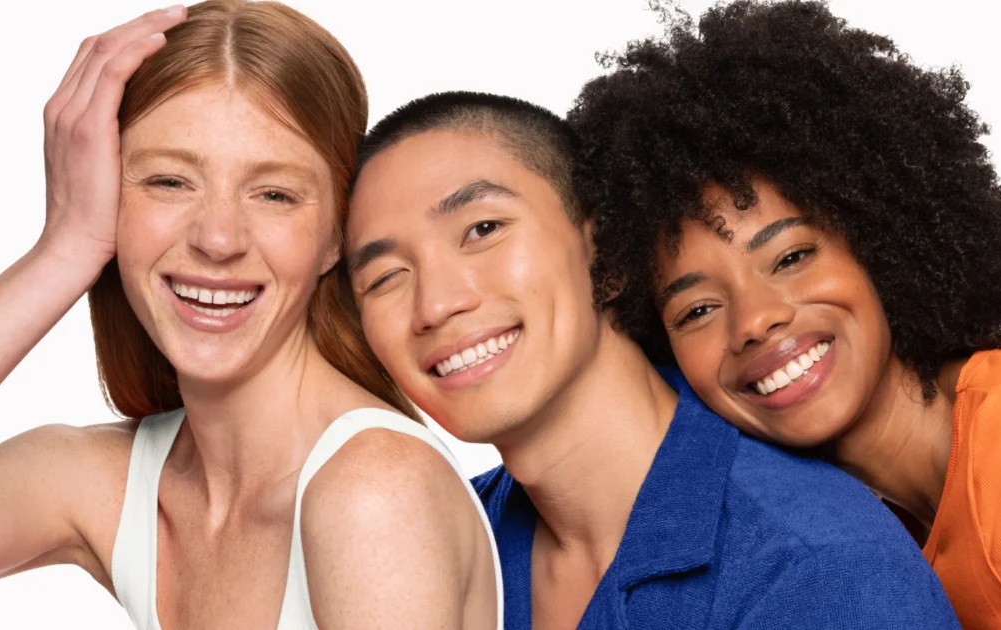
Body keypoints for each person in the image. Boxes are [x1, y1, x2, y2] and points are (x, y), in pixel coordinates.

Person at [343, 90, 960, 628]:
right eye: (386, 277)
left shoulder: (816, 564)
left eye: (483, 230)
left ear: (604, 251)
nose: (436, 305)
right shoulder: (422, 540)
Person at [0, 2, 501, 628]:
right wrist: (64, 248)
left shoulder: (375, 493)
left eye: (275, 194)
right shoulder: (109, 483)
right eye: (169, 182)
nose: (219, 239)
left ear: (335, 235)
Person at [567, 0, 1001, 627]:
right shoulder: (847, 535)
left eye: (791, 255)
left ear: (879, 238)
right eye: (696, 310)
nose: (753, 320)